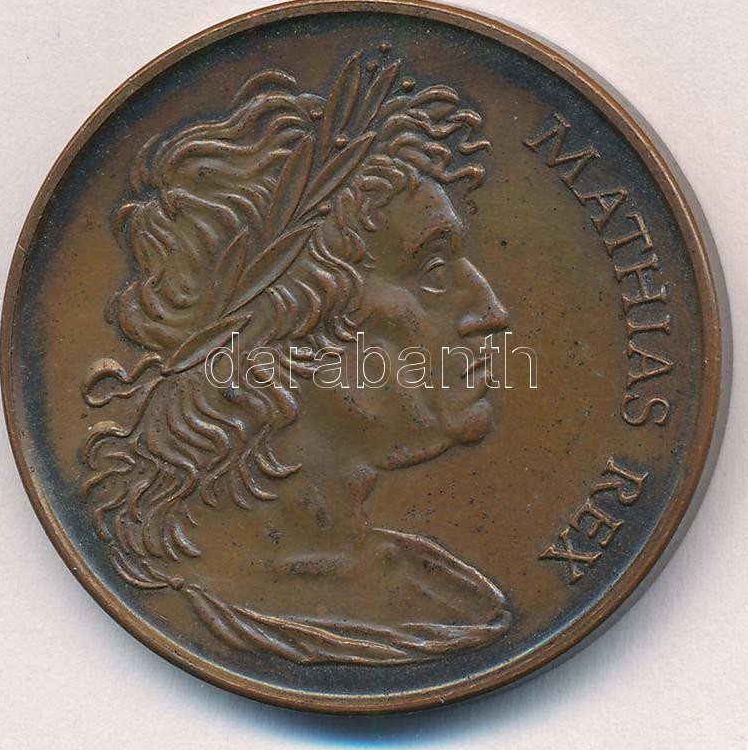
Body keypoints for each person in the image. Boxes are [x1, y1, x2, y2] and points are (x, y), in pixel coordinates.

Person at [81, 47, 512, 664]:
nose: (491, 311)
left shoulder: (444, 594)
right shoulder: (209, 602)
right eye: (433, 269)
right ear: (291, 334)